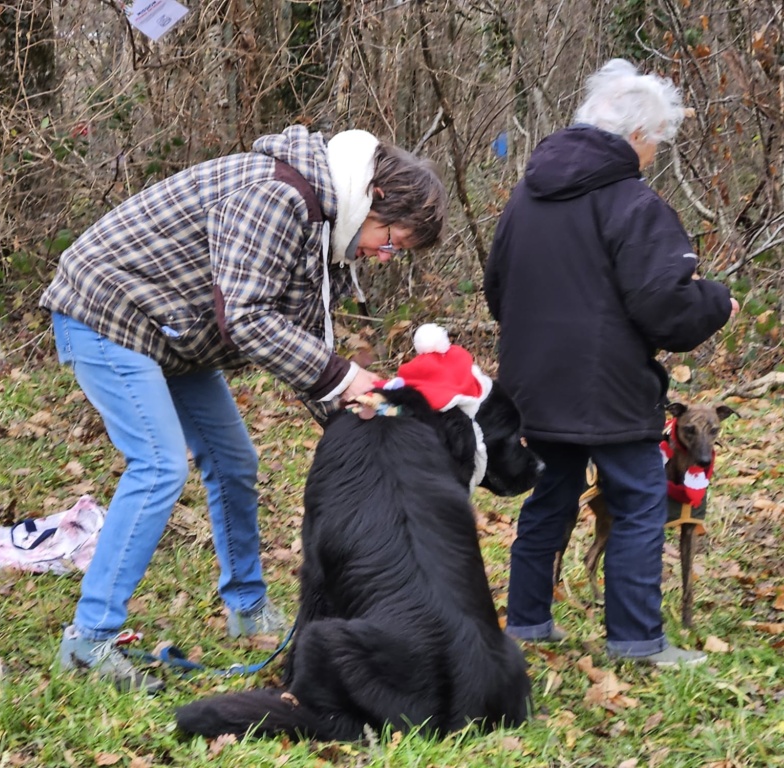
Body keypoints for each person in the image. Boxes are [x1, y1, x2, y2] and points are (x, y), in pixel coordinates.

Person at [39, 124, 448, 691]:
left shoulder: (322, 224)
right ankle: (89, 640)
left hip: (173, 335)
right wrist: (342, 377)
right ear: (375, 197)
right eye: (390, 241)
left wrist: (366, 416)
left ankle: (248, 608)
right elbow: (250, 319)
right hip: (106, 311)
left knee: (234, 462)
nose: (382, 256)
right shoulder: (279, 195)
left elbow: (305, 344)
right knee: (159, 466)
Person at [484, 59, 738, 666]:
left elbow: (497, 291)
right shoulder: (634, 203)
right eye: (656, 142)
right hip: (610, 390)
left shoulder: (526, 197)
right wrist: (715, 302)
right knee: (642, 500)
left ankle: (527, 621)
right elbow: (666, 308)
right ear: (636, 135)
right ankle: (636, 639)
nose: (653, 155)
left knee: (551, 495)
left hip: (532, 384)